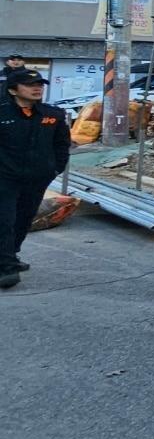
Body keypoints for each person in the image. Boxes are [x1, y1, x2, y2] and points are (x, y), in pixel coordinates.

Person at [0, 68, 71, 288]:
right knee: (4, 222)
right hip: (5, 179)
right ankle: (6, 267)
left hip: (37, 178)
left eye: (40, 84)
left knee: (23, 220)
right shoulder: (2, 113)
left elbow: (61, 145)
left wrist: (54, 169)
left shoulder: (53, 115)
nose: (37, 88)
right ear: (13, 90)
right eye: (30, 85)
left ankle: (11, 255)